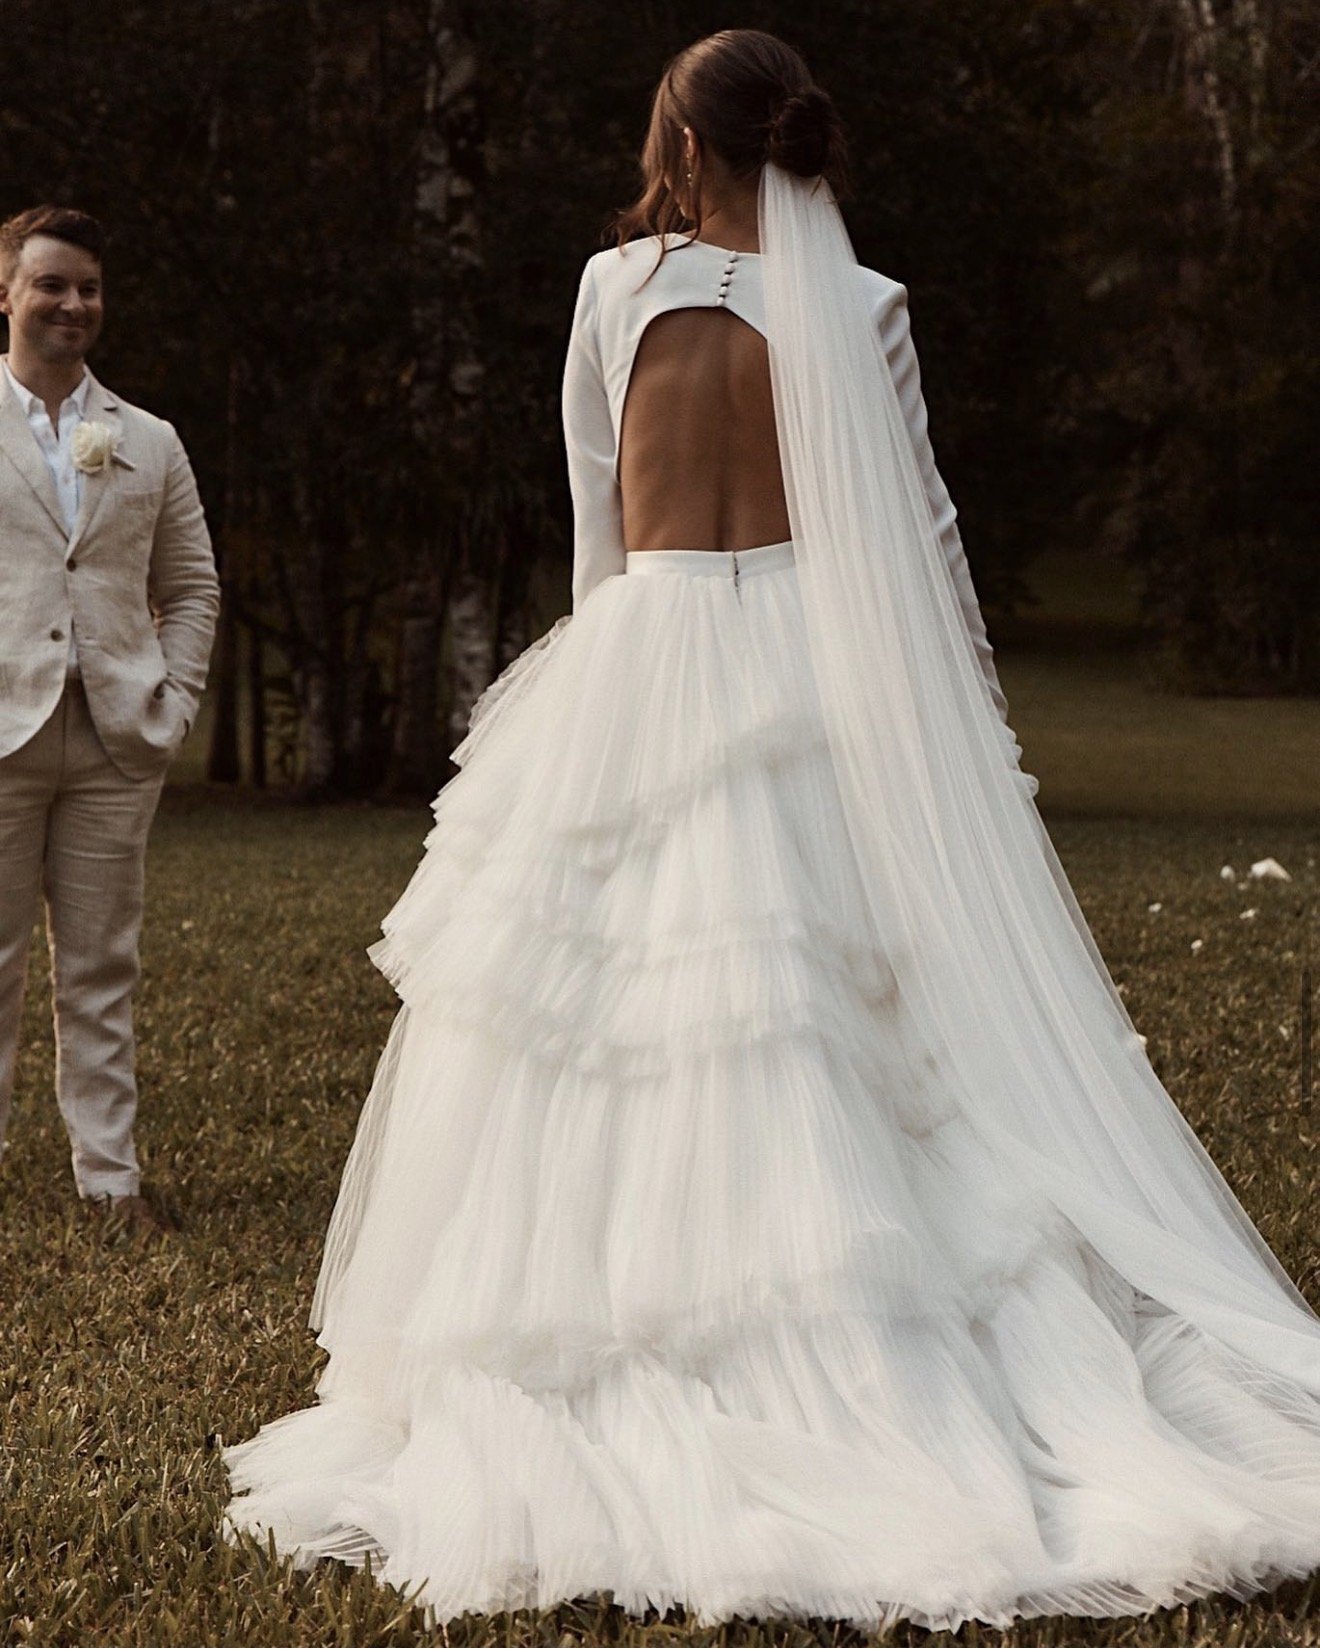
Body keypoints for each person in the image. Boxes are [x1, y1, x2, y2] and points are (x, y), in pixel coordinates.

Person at [224, 30, 1320, 1634]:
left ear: (681, 133)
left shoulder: (616, 291)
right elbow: (924, 539)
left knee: (600, 1021)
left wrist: (602, 695)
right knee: (848, 1018)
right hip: (812, 669)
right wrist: (958, 741)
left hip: (646, 657)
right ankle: (885, 1323)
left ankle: (596, 1320)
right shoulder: (865, 308)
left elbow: (600, 514)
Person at [0, 206, 219, 1238]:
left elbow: (194, 586)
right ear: (7, 292)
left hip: (114, 740)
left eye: (88, 287)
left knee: (101, 966)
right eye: (51, 284)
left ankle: (109, 1184)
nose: (73, 304)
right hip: (2, 733)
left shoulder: (149, 440)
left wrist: (171, 700)